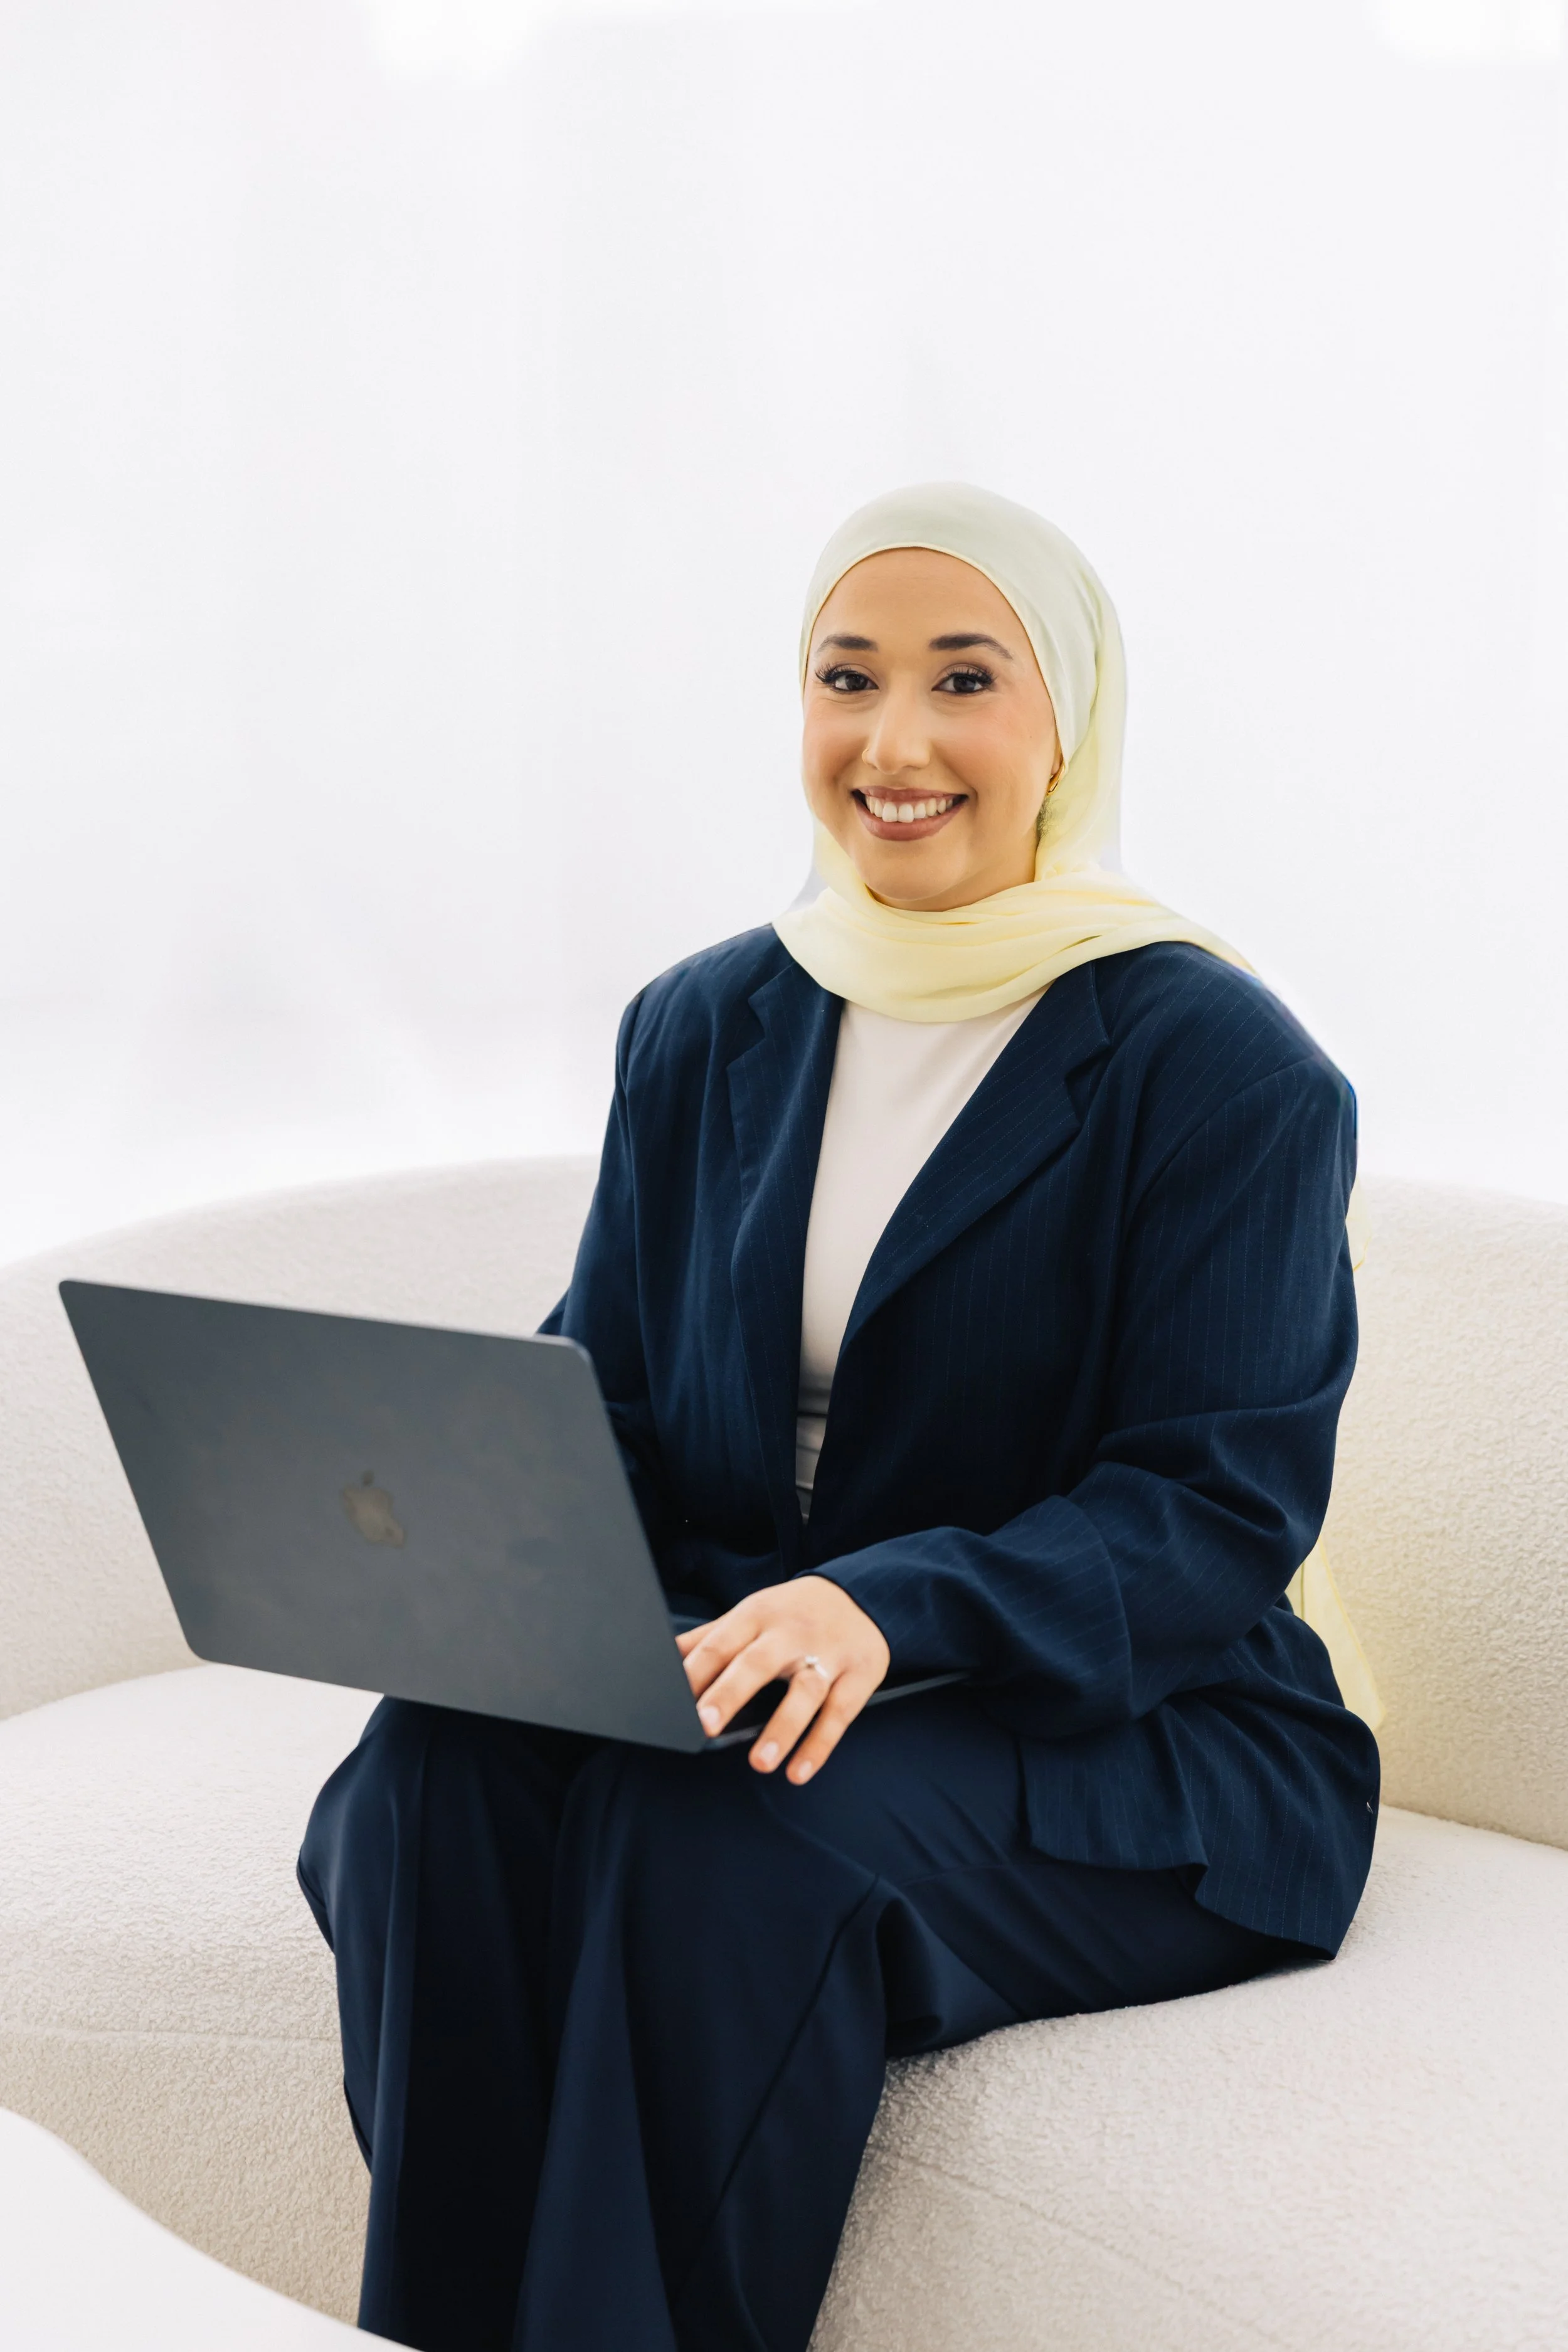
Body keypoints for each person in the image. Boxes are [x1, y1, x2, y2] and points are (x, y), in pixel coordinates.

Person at [298, 483, 1379, 2352]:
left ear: (1068, 725)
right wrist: (467, 1550)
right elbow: (616, 1397)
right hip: (764, 1660)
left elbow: (1210, 1509)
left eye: (964, 678)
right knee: (432, 1775)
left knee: (720, 1838)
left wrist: (890, 1606)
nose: (894, 741)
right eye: (844, 676)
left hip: (1131, 1723)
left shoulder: (1217, 1066)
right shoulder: (703, 1023)